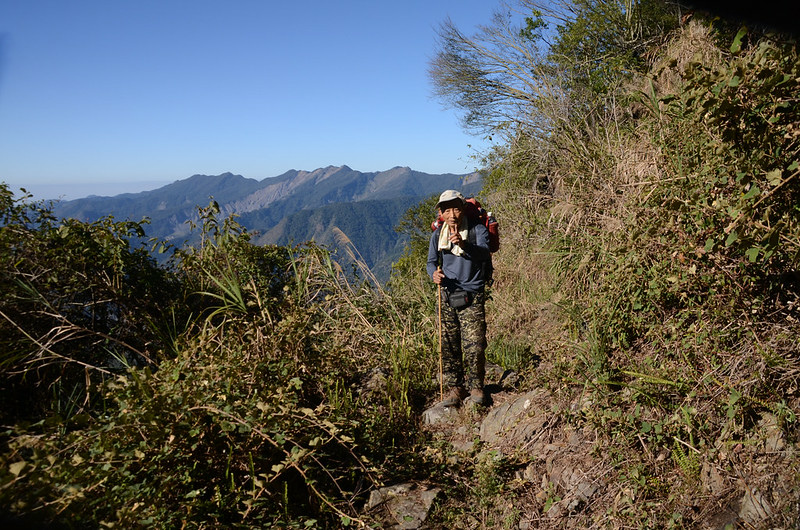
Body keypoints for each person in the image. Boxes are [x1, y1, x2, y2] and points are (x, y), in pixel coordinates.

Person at [427, 190, 491, 407]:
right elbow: (431, 262)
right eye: (446, 210)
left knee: (474, 344)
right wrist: (433, 274)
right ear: (441, 213)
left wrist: (464, 245)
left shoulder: (476, 230)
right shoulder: (438, 235)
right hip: (447, 295)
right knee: (449, 344)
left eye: (456, 208)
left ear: (463, 209)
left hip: (472, 294)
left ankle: (476, 387)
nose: (452, 214)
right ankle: (456, 387)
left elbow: (484, 252)